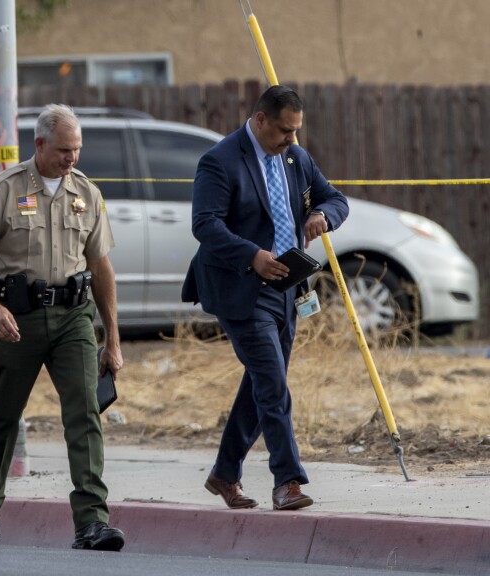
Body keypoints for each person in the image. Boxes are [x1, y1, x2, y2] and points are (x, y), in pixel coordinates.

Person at [0, 104, 126, 551]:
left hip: (73, 318)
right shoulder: (5, 189)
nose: (72, 158)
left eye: (77, 150)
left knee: (84, 413)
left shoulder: (87, 194)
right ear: (39, 144)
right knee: (2, 418)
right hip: (17, 320)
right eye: (64, 150)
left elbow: (100, 264)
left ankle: (91, 521)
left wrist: (112, 336)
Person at [182, 85, 349, 511]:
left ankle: (224, 473)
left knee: (261, 383)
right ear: (259, 120)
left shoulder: (296, 158)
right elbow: (205, 225)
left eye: (296, 131)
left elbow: (335, 198)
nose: (291, 139)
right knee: (272, 383)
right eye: (283, 130)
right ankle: (287, 481)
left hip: (286, 288)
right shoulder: (219, 161)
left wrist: (321, 215)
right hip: (240, 287)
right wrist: (252, 256)